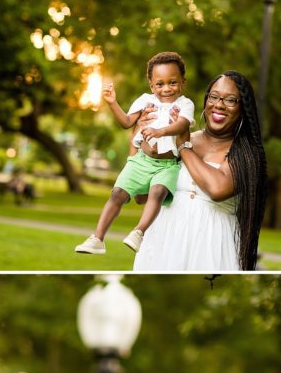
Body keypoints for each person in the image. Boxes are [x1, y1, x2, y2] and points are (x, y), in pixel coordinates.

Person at [134, 71, 268, 271]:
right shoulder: (180, 137)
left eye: (231, 100)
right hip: (163, 239)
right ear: (206, 101)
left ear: (242, 108)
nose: (219, 104)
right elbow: (141, 195)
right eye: (214, 97)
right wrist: (137, 132)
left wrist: (183, 146)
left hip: (211, 244)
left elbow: (217, 189)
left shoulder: (247, 154)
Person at [75, 51, 194, 256]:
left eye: (172, 82)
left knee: (158, 192)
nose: (166, 88)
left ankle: (138, 232)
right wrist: (112, 103)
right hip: (141, 160)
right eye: (160, 84)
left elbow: (182, 124)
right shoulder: (145, 100)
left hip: (167, 165)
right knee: (117, 193)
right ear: (151, 84)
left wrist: (161, 131)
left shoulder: (185, 104)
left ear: (182, 81)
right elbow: (126, 122)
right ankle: (97, 238)